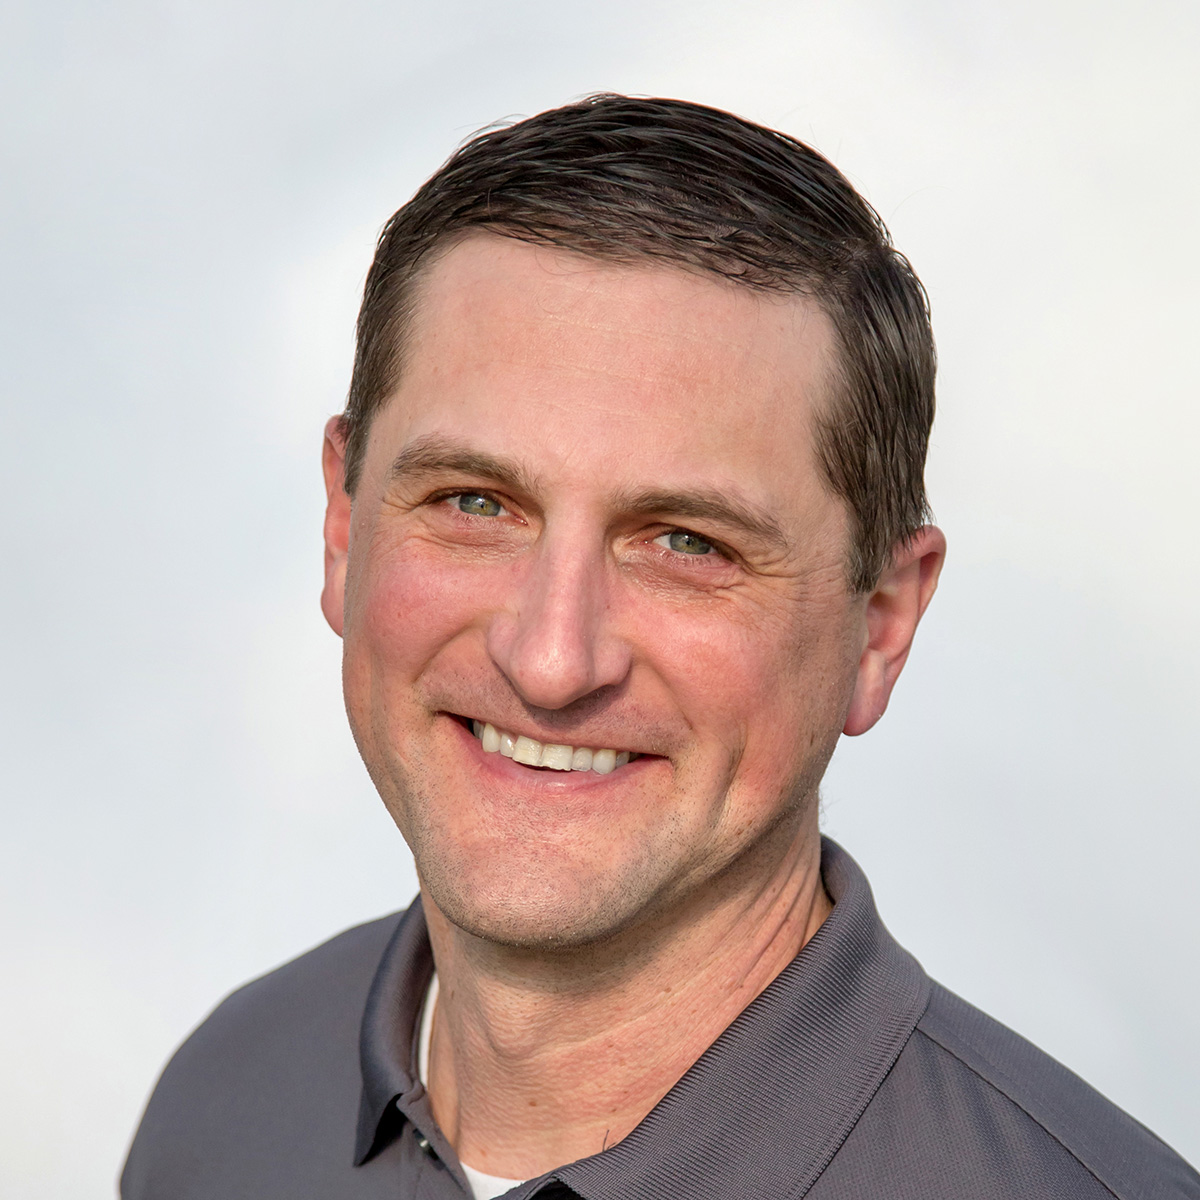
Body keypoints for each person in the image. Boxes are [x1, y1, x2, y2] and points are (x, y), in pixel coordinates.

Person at [121, 95, 1199, 1200]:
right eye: (475, 502)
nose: (550, 660)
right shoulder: (225, 1107)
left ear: (882, 621)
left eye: (686, 542)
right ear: (346, 532)